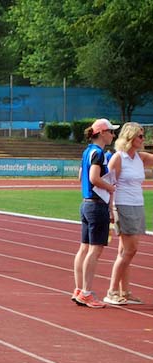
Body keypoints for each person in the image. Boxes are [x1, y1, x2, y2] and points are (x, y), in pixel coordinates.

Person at [104, 122, 152, 305]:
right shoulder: (119, 158)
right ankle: (112, 291)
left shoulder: (140, 158)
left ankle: (125, 291)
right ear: (130, 137)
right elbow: (110, 184)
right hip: (123, 205)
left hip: (137, 205)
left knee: (124, 251)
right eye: (140, 136)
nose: (143, 139)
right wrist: (110, 209)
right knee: (130, 250)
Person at [72, 118, 117, 309]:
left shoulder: (87, 151)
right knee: (94, 250)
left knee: (84, 248)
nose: (113, 135)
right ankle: (87, 293)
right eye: (111, 132)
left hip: (86, 204)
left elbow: (81, 176)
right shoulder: (98, 153)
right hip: (97, 205)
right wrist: (110, 187)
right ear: (103, 133)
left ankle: (79, 289)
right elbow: (93, 178)